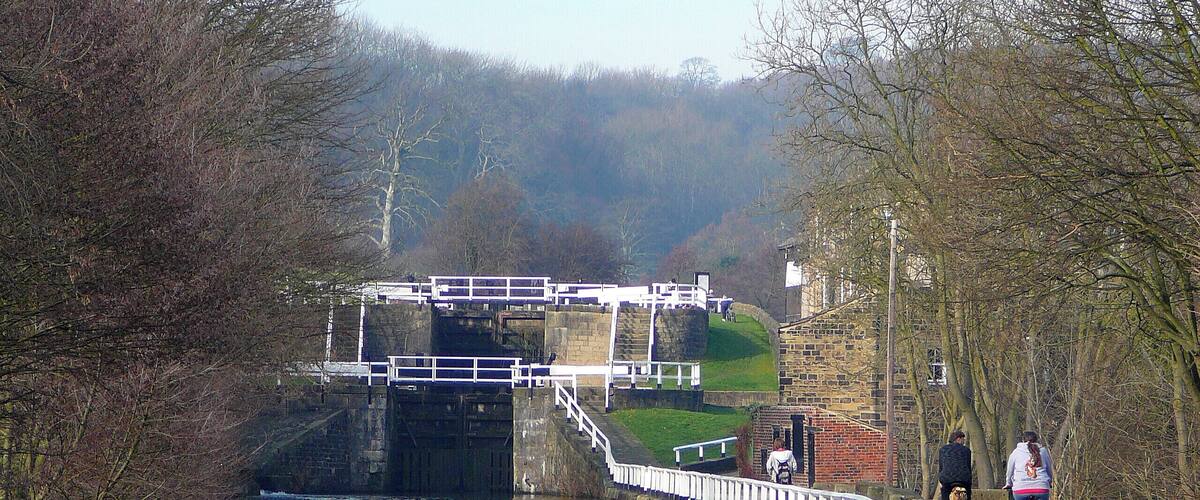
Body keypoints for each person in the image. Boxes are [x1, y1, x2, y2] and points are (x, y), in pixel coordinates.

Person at [1004, 431, 1053, 500]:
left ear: (1023, 440)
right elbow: (1049, 469)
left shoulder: (1016, 452)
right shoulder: (1043, 451)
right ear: (1036, 440)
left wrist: (1008, 483)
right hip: (1041, 488)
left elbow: (1010, 470)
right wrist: (1049, 481)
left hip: (1020, 489)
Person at [937, 430, 972, 500]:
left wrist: (941, 479)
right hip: (963, 479)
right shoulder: (966, 450)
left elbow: (941, 467)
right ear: (958, 439)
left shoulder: (942, 450)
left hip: (947, 478)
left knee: (945, 492)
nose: (964, 442)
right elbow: (968, 466)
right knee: (968, 491)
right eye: (963, 440)